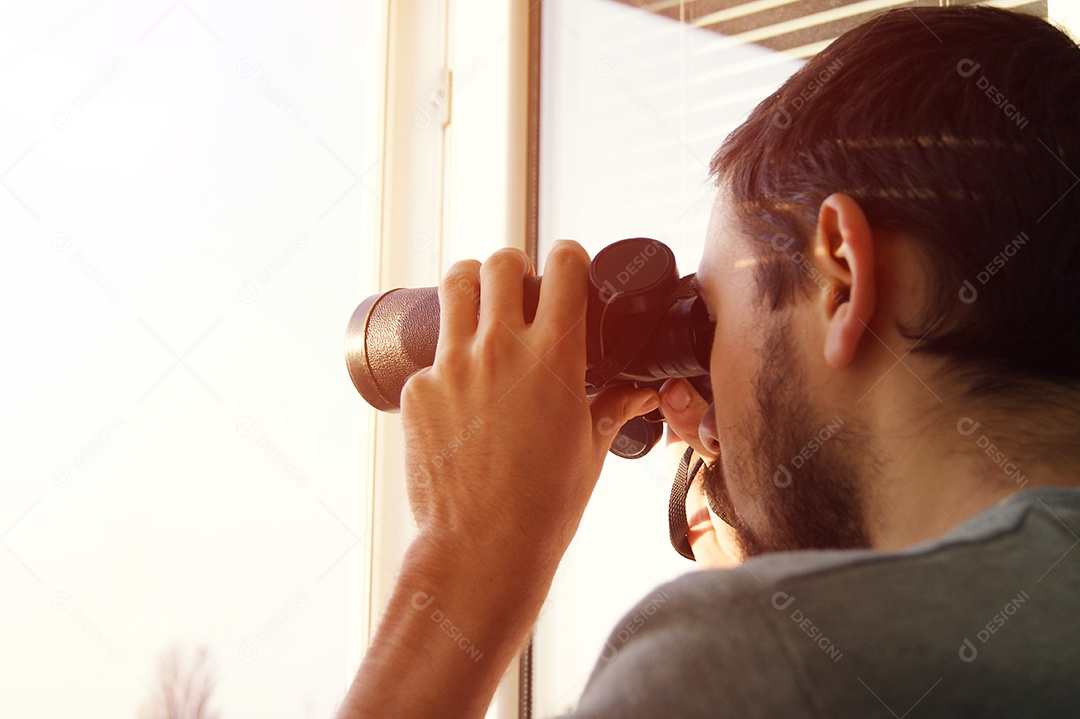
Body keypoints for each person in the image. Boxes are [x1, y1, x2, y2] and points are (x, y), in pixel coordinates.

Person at [336, 6, 1080, 717]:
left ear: (844, 277)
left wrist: (466, 555)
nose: (687, 414)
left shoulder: (758, 663)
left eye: (708, 323)